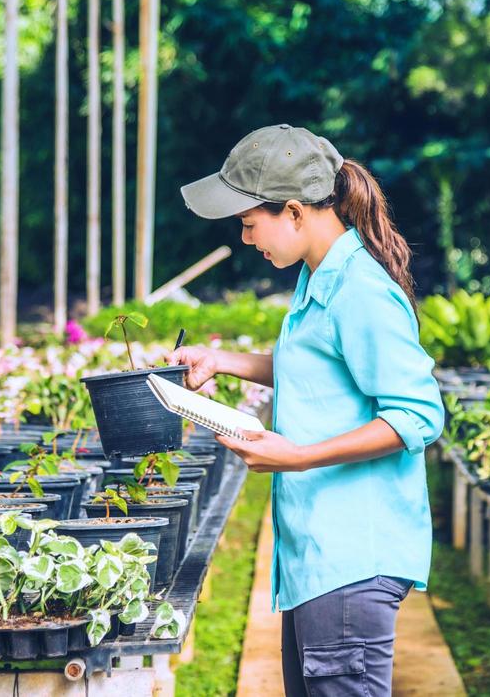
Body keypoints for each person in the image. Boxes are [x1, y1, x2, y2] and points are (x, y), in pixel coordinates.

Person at [173, 124, 445, 697]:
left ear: (294, 212)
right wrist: (221, 360)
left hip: (352, 560)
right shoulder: (317, 276)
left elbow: (418, 414)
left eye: (249, 224)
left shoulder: (360, 290)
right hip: (320, 558)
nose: (246, 239)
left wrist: (299, 456)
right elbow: (315, 364)